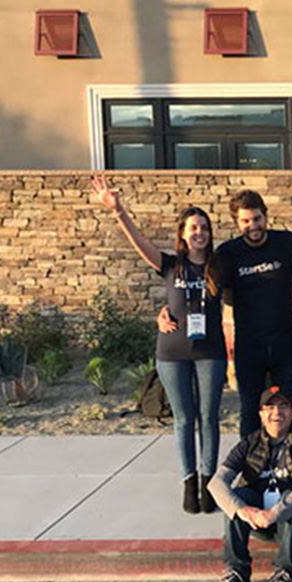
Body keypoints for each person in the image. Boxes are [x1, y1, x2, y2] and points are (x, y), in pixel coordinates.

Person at [91, 174, 226, 514]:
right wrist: (117, 210)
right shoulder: (170, 265)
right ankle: (188, 481)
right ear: (183, 233)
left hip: (210, 353)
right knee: (183, 419)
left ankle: (209, 482)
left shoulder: (219, 267)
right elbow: (140, 243)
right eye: (193, 227)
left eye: (204, 228)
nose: (199, 233)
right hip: (172, 354)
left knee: (208, 418)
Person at [207, 386, 292, 582]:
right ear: (261, 414)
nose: (276, 413)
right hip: (257, 520)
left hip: (291, 524)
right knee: (237, 496)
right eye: (269, 407)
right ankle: (237, 571)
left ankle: (285, 573)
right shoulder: (249, 443)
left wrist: (277, 511)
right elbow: (216, 482)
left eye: (283, 406)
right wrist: (242, 510)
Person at [217, 190, 292, 437]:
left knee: (288, 407)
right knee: (250, 409)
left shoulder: (287, 243)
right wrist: (169, 309)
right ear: (236, 222)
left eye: (257, 219)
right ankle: (251, 466)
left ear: (266, 216)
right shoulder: (228, 253)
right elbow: (205, 285)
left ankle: (291, 462)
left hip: (285, 341)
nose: (253, 226)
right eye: (246, 221)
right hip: (249, 344)